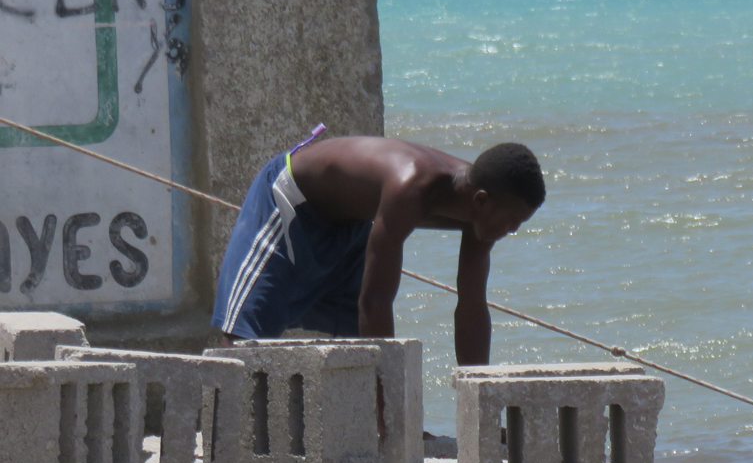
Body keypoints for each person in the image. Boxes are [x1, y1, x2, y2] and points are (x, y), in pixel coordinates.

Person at [212, 135, 545, 366]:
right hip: (291, 203)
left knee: (362, 342)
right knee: (242, 338)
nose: (512, 231)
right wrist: (392, 415)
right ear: (482, 200)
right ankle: (223, 439)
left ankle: (378, 422)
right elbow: (376, 299)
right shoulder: (410, 186)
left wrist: (480, 407)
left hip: (351, 224)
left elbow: (471, 305)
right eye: (512, 221)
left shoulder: (482, 215)